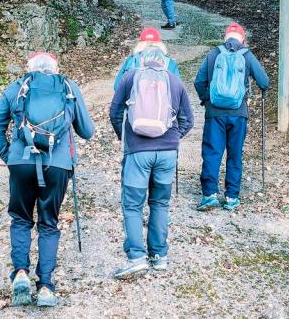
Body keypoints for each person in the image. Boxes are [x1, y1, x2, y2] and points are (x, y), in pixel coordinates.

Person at [0, 52, 95, 308]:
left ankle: (21, 272)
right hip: (57, 165)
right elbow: (87, 131)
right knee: (48, 223)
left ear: (30, 68)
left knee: (21, 219)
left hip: (21, 162)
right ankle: (45, 286)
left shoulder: (16, 88)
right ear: (55, 69)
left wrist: (10, 157)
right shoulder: (68, 88)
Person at [108, 47, 193, 278]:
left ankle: (136, 257)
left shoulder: (130, 77)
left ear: (142, 60)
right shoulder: (175, 81)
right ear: (164, 61)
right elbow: (189, 119)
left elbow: (114, 112)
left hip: (138, 152)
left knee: (133, 205)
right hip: (167, 154)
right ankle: (159, 256)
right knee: (160, 203)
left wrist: (124, 137)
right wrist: (173, 137)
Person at [193, 22, 269, 212]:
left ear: (225, 37)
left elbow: (198, 81)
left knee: (212, 152)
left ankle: (209, 194)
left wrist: (208, 100)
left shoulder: (213, 54)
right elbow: (264, 82)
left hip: (215, 114)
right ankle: (231, 197)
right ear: (242, 38)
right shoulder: (247, 55)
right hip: (238, 114)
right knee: (234, 155)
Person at [113, 27, 181, 91]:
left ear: (140, 44)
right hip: (162, 101)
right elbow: (178, 88)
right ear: (159, 44)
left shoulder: (132, 60)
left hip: (135, 102)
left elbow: (117, 86)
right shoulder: (169, 62)